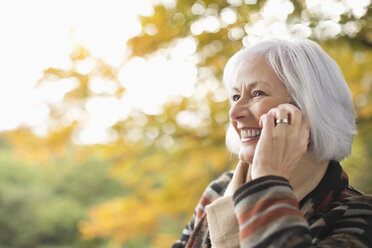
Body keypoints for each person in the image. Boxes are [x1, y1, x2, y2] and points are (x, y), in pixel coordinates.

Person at [171, 38, 372, 248]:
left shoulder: (360, 215)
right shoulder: (219, 190)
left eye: (257, 93)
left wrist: (269, 178)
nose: (234, 112)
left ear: (309, 110)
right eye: (235, 96)